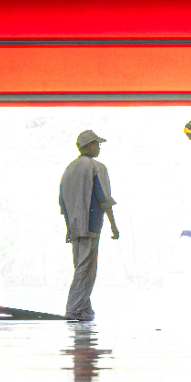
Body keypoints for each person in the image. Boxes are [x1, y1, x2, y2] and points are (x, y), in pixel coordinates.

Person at [59, 130, 119, 321]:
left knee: (80, 267)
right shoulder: (96, 167)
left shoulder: (70, 168)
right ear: (90, 145)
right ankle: (74, 308)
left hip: (75, 226)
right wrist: (113, 225)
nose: (99, 148)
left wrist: (69, 226)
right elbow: (104, 199)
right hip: (90, 225)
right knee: (86, 271)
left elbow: (63, 201)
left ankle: (85, 309)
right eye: (97, 144)